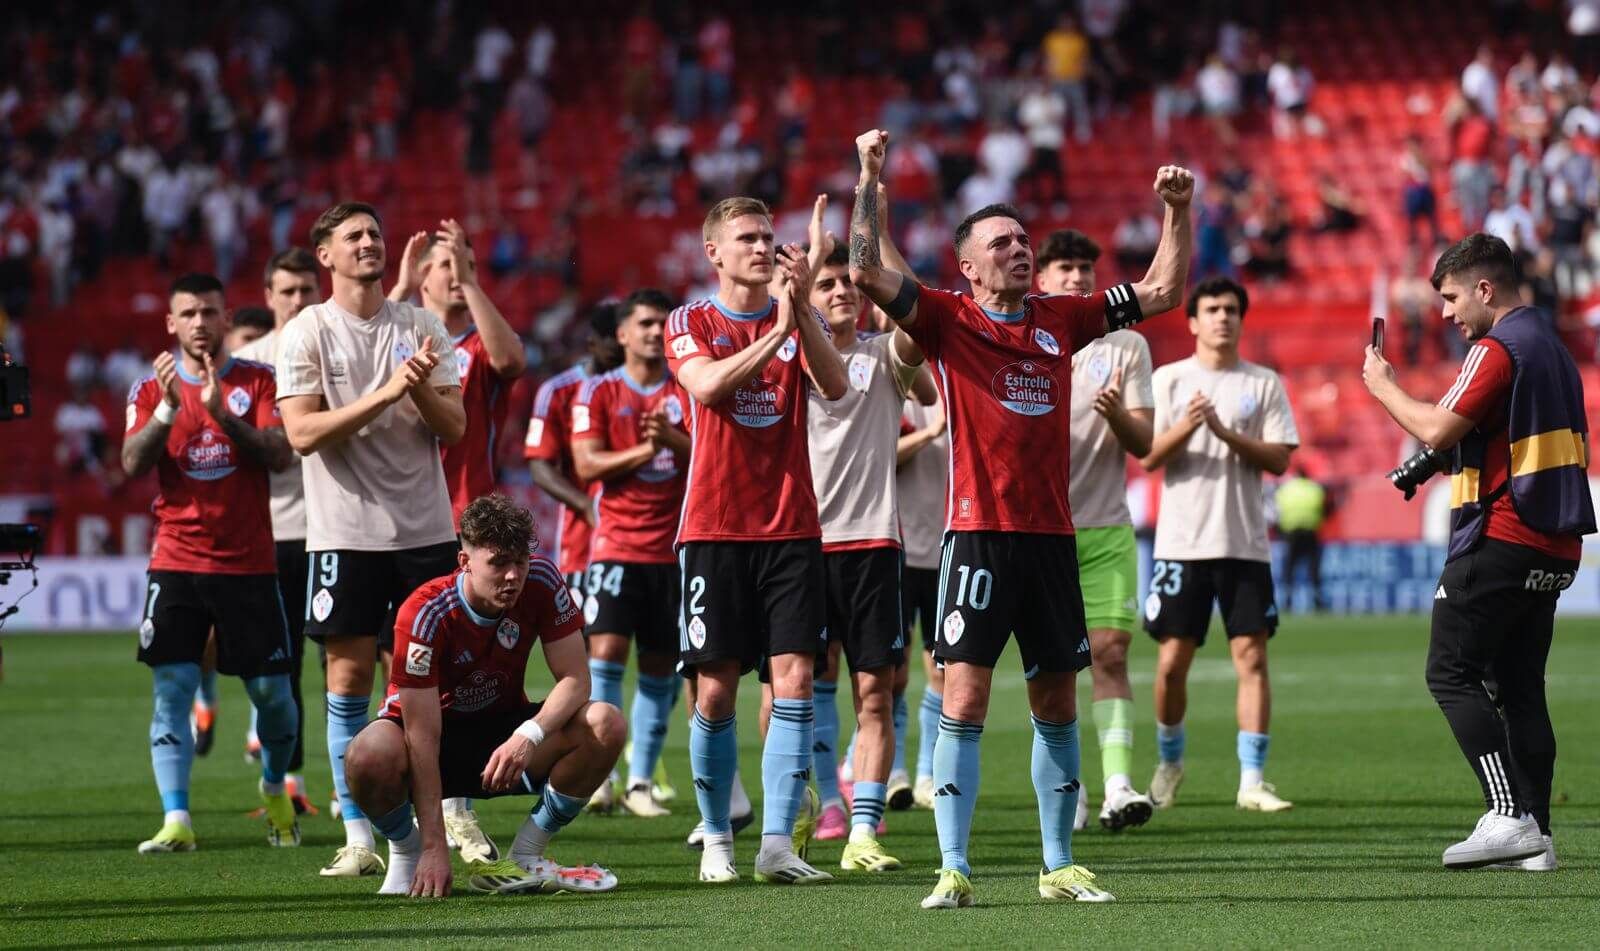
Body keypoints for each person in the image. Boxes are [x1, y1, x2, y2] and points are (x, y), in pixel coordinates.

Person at [848, 128, 1194, 909]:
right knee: (963, 698)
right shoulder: (943, 317)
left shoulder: (1063, 318)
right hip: (976, 539)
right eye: (1001, 242)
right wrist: (871, 175)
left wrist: (1178, 208)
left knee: (1058, 702)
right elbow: (867, 266)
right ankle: (955, 866)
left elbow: (1164, 291)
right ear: (967, 264)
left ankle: (1058, 863)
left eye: (1024, 241)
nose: (1019, 250)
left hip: (1052, 544)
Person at [1362, 234, 1594, 871]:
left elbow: (1439, 425)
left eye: (1451, 297)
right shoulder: (1553, 348)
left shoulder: (1498, 347)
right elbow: (1486, 436)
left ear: (1485, 289)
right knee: (1520, 687)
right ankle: (1538, 838)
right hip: (1554, 544)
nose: (1445, 313)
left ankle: (1508, 816)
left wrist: (1382, 386)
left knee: (1450, 673)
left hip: (1501, 536)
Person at [275, 202, 470, 878]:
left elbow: (455, 430)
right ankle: (361, 829)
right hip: (344, 532)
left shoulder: (422, 325)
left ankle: (443, 817)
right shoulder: (307, 332)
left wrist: (416, 394)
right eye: (353, 235)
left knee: (433, 683)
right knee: (348, 676)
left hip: (424, 530)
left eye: (375, 233)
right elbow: (300, 433)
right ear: (324, 254)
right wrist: (388, 393)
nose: (369, 242)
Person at [663, 194, 846, 885]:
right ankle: (716, 834)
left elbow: (834, 385)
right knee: (713, 692)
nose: (763, 246)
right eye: (747, 237)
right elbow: (707, 387)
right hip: (713, 529)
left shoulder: (794, 317)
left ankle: (775, 843)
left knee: (797, 680)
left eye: (770, 236)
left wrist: (798, 309)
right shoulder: (691, 320)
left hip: (792, 528)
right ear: (713, 251)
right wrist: (777, 329)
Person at [343, 494, 625, 896]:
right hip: (426, 743)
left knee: (605, 723)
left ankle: (526, 855)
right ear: (465, 562)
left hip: (501, 737)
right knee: (367, 754)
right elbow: (421, 736)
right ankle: (406, 854)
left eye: (519, 562)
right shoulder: (425, 612)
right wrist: (433, 846)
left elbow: (577, 680)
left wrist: (528, 736)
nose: (512, 576)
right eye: (498, 564)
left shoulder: (543, 580)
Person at [120, 272, 300, 853]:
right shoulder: (149, 388)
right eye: (188, 313)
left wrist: (226, 418)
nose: (200, 322)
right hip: (176, 560)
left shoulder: (260, 380)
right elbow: (130, 461)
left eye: (210, 312)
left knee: (272, 695)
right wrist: (169, 412)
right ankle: (177, 820)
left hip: (249, 565)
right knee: (171, 686)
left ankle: (275, 787)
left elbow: (279, 454)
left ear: (227, 320)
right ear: (171, 323)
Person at [801, 228, 935, 870]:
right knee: (802, 687)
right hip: (801, 547)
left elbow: (921, 316)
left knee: (876, 692)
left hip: (877, 543)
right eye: (825, 283)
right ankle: (822, 803)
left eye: (847, 283)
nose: (840, 292)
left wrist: (874, 217)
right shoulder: (786, 358)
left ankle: (863, 829)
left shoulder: (885, 355)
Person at [1141, 276, 1299, 816]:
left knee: (1252, 658)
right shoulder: (1168, 381)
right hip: (1182, 543)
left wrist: (1227, 433)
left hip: (1244, 544)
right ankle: (1169, 762)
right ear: (1192, 321)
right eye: (1211, 309)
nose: (1222, 317)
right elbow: (1149, 456)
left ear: (1241, 318)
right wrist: (1190, 424)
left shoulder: (1263, 383)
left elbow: (1280, 460)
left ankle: (1252, 778)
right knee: (1170, 664)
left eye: (1231, 309)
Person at [1037, 228, 1158, 834]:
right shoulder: (1026, 339)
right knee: (1055, 672)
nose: (1078, 278)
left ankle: (1117, 785)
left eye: (1086, 268)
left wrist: (1117, 418)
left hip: (1106, 527)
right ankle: (1069, 786)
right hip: (1041, 532)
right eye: (1064, 268)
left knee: (1110, 655)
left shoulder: (1126, 347)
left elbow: (1147, 445)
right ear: (1041, 277)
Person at [569, 289, 691, 819]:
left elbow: (709, 455)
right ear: (621, 333)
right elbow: (588, 466)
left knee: (661, 666)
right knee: (607, 657)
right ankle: (603, 774)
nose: (652, 331)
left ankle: (640, 780)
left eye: (661, 323)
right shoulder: (595, 392)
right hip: (616, 547)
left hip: (673, 551)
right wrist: (651, 447)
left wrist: (673, 439)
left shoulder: (687, 388)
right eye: (643, 323)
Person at [230, 249, 321, 811]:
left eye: (307, 290)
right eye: (287, 291)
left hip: (339, 531)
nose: (297, 301)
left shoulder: (336, 350)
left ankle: (353, 789)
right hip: (271, 535)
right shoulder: (244, 365)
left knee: (346, 663)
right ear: (268, 296)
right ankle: (291, 783)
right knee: (282, 667)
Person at [389, 219, 527, 528]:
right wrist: (400, 289)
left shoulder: (482, 343)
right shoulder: (398, 343)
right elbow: (361, 349)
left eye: (469, 266)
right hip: (400, 515)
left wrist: (469, 283)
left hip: (467, 516)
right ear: (422, 276)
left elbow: (510, 362)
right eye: (449, 265)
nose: (460, 272)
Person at [524, 306, 623, 614]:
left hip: (649, 535)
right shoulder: (557, 391)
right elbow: (540, 465)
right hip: (584, 541)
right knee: (583, 636)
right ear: (593, 343)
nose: (622, 359)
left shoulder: (650, 388)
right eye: (615, 351)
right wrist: (584, 506)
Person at [1275, 466, 1328, 613]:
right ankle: (1318, 602)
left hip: (1291, 534)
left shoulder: (1286, 489)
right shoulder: (1315, 488)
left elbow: (1277, 510)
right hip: (1311, 532)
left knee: (1290, 569)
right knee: (1314, 570)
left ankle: (1287, 602)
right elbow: (1323, 509)